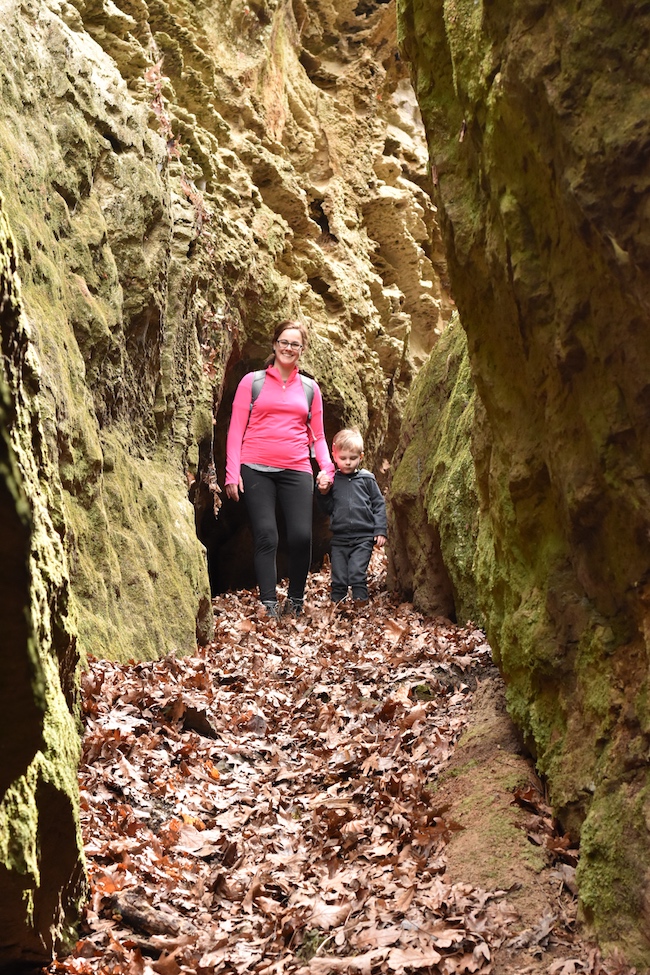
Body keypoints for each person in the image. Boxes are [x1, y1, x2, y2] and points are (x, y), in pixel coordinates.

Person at [225, 320, 335, 618]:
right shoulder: (253, 382)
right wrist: (231, 472)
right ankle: (269, 603)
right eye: (284, 342)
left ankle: (296, 599)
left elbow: (319, 436)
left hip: (297, 468)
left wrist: (328, 469)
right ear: (274, 345)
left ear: (302, 349)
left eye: (295, 344)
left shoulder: (311, 389)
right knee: (267, 535)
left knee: (301, 536)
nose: (288, 348)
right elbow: (236, 429)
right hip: (256, 467)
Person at [317, 427, 387, 604]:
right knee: (339, 576)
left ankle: (360, 605)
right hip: (340, 537)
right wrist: (322, 493)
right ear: (335, 457)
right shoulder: (333, 481)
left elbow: (378, 504)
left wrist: (380, 530)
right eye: (343, 458)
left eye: (352, 458)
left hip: (363, 537)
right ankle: (337, 607)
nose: (347, 462)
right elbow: (327, 508)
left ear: (361, 457)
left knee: (357, 573)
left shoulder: (367, 479)